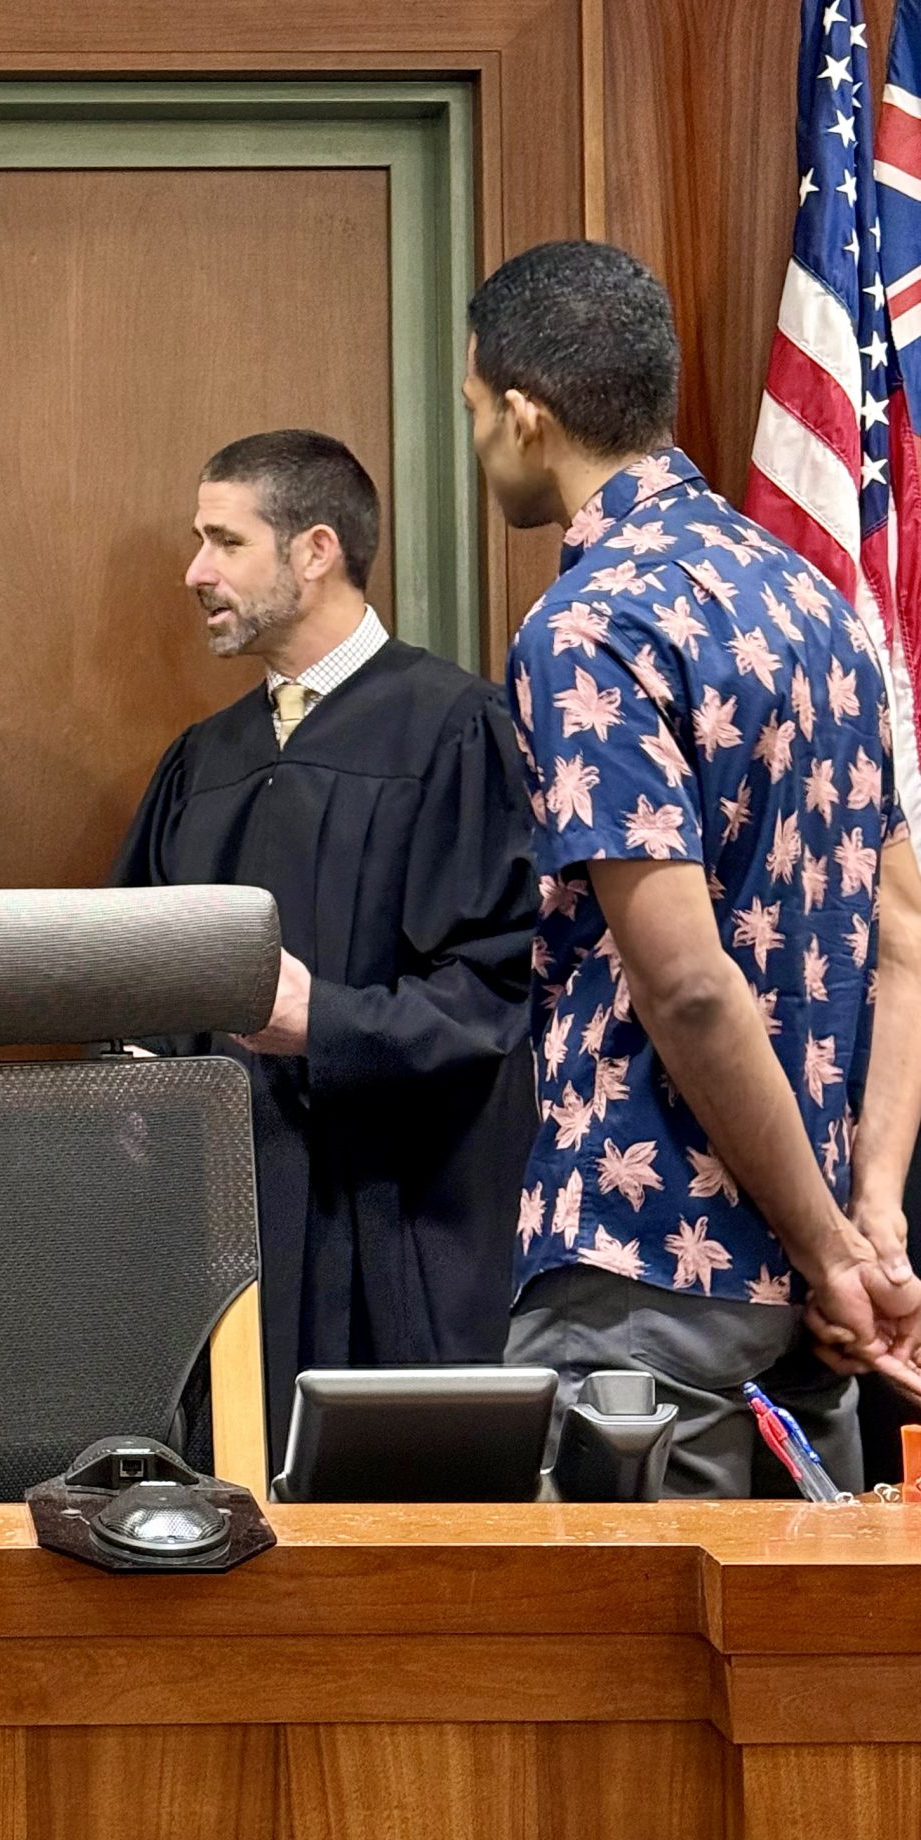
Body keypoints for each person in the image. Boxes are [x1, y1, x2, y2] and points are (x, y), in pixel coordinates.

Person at [466, 240, 921, 1495]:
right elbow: (905, 940)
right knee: (788, 1679)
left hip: (645, 1273)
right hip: (808, 1283)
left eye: (473, 413)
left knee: (617, 1682)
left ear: (522, 413)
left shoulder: (592, 620)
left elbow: (691, 987)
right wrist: (867, 1217)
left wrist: (837, 1251)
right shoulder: (819, 604)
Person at [113, 429, 538, 1452]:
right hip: (220, 1231)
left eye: (224, 540)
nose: (195, 571)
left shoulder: (455, 730)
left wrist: (327, 1021)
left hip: (396, 1225)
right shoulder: (203, 761)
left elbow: (500, 991)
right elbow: (127, 972)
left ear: (314, 551)